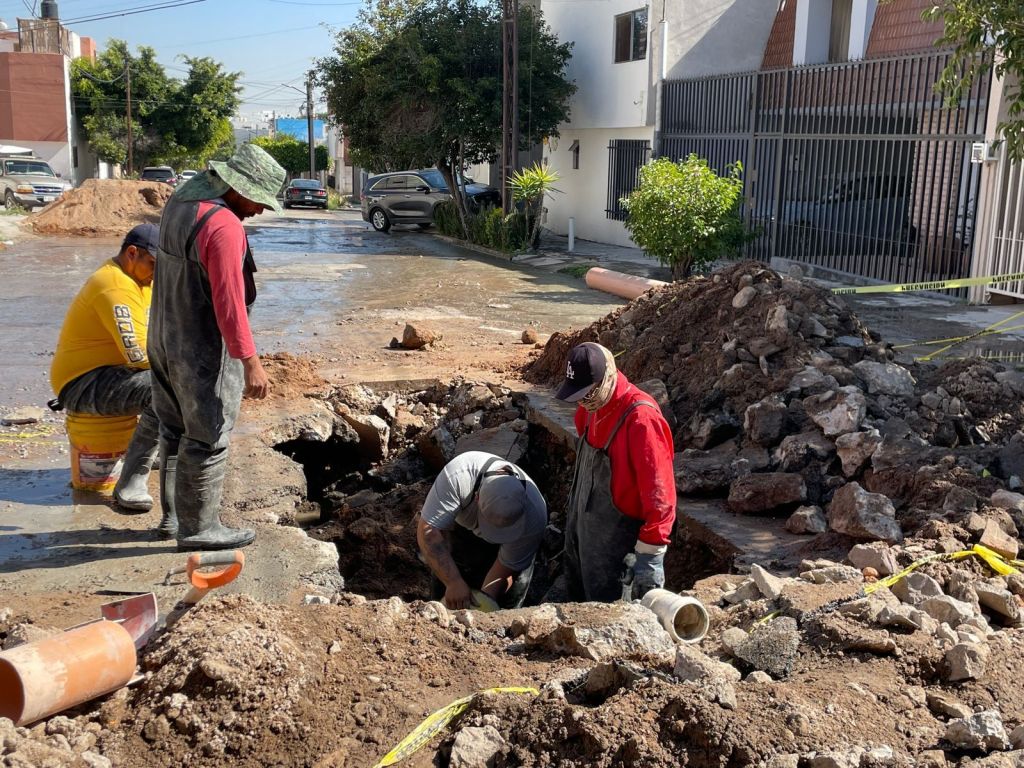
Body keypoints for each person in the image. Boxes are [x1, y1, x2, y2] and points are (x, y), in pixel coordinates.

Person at [148, 144, 286, 551]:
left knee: (173, 429)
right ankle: (199, 529)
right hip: (202, 350)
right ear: (236, 187)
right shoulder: (224, 226)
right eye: (257, 200)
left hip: (163, 337)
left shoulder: (180, 201)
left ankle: (173, 519)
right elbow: (229, 303)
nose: (259, 210)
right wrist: (251, 363)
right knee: (208, 437)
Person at [50, 224, 162, 511]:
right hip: (81, 384)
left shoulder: (140, 281)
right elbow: (138, 354)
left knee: (174, 380)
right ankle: (131, 481)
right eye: (153, 264)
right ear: (132, 253)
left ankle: (148, 453)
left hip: (108, 373)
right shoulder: (114, 285)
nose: (157, 272)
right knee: (165, 389)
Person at [554, 342, 676, 602]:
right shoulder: (589, 411)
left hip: (617, 548)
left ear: (608, 376)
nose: (584, 402)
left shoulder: (641, 419)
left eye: (588, 394)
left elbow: (660, 493)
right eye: (579, 396)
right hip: (582, 536)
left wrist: (651, 555)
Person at [417, 451, 548, 610]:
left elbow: (506, 567)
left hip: (513, 548)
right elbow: (428, 533)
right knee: (446, 599)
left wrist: (484, 605)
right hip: (463, 535)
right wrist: (453, 582)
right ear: (477, 497)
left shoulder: (535, 515)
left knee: (504, 611)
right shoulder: (458, 477)